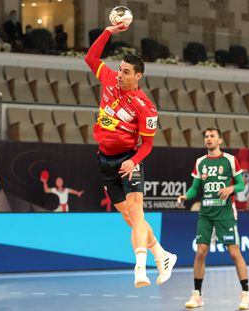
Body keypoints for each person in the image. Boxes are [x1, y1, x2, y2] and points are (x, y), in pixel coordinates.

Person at [84, 22, 177, 288]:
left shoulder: (146, 107)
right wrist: (108, 32)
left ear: (138, 76)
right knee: (129, 218)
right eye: (120, 70)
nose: (120, 74)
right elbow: (90, 58)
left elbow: (147, 146)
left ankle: (139, 269)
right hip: (104, 160)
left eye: (126, 72)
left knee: (137, 213)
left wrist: (133, 161)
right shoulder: (109, 79)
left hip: (128, 160)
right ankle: (162, 255)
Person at [177, 128, 249, 310]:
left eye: (212, 136)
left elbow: (241, 184)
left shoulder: (229, 160)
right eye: (206, 137)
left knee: (234, 253)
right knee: (201, 252)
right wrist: (186, 196)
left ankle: (246, 295)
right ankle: (197, 295)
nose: (208, 139)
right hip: (206, 213)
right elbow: (195, 188)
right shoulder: (200, 162)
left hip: (225, 213)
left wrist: (230, 189)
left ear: (220, 140)